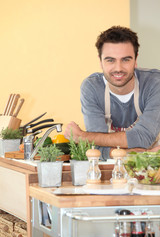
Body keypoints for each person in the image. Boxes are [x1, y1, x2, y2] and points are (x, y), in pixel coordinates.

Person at [64, 26, 160, 160]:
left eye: (126, 59)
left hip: (153, 170)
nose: (118, 68)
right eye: (110, 60)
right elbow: (96, 148)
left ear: (136, 59)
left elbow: (143, 138)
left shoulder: (155, 83)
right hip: (113, 170)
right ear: (100, 61)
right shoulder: (92, 88)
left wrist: (83, 136)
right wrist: (139, 154)